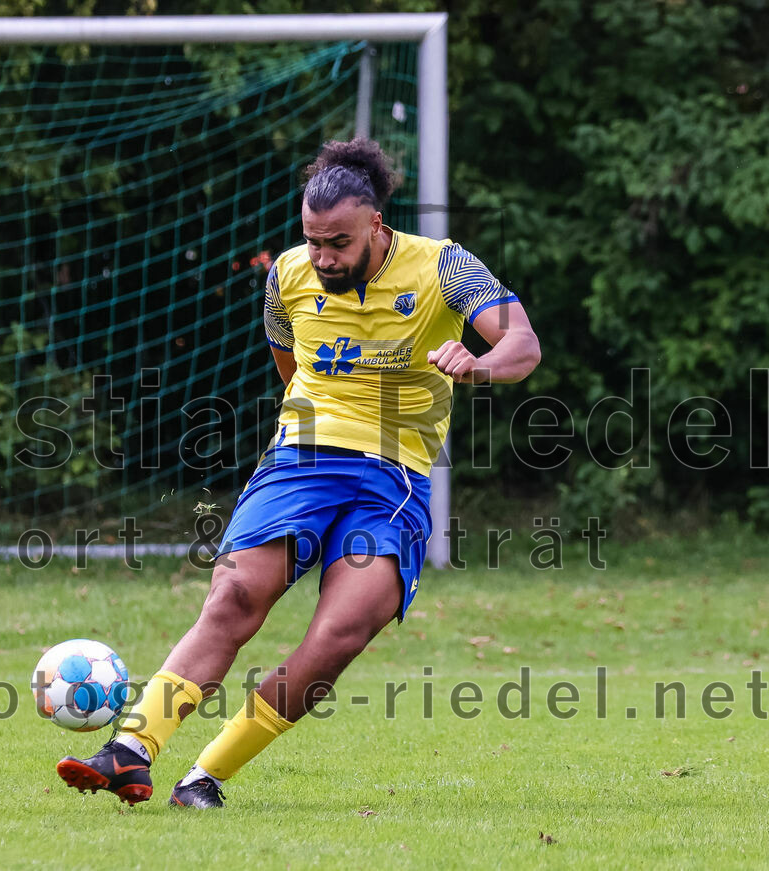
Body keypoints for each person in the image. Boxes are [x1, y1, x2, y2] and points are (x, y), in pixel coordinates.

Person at [57, 138, 541, 808]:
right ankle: (130, 749)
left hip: (392, 480)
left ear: (377, 224)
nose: (323, 258)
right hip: (303, 457)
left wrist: (478, 363)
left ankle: (206, 774)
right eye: (312, 240)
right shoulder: (286, 275)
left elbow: (522, 343)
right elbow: (287, 361)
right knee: (233, 598)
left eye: (337, 243)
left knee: (338, 635)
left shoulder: (444, 267)